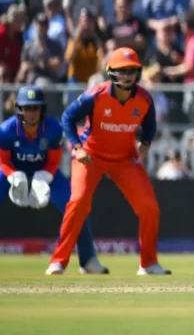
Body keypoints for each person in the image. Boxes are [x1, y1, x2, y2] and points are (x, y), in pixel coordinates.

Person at [0, 87, 107, 275]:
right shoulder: (6, 130)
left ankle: (88, 260)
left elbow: (53, 160)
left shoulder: (53, 129)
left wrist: (43, 176)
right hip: (9, 171)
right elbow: (2, 161)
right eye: (27, 108)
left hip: (44, 171)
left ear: (42, 110)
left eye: (35, 108)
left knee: (75, 207)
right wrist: (14, 175)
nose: (31, 113)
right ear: (18, 109)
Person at [48, 48, 170, 275]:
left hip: (125, 158)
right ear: (111, 73)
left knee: (149, 207)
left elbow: (150, 124)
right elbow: (68, 117)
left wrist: (145, 143)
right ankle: (58, 261)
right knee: (79, 203)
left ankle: (148, 263)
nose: (128, 75)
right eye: (123, 71)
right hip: (90, 156)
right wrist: (77, 147)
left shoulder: (144, 99)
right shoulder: (96, 95)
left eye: (132, 70)